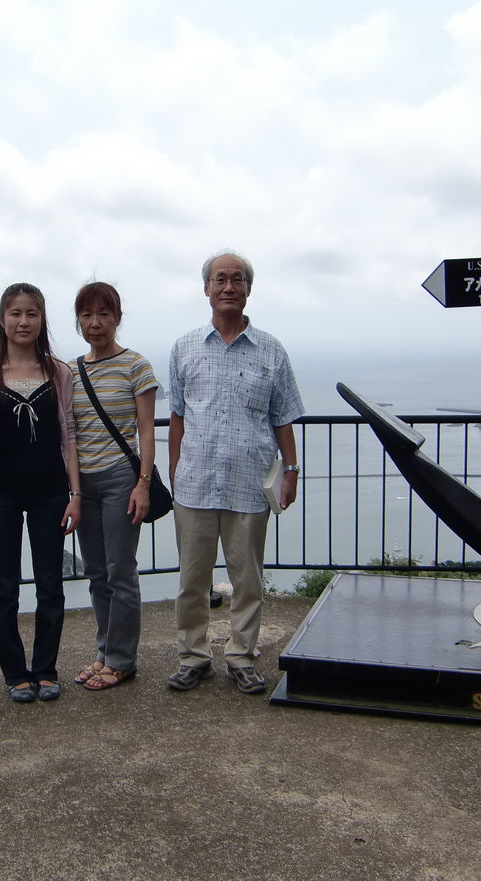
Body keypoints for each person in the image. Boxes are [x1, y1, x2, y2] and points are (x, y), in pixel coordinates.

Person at [167, 251, 304, 694]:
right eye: (220, 279)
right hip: (195, 483)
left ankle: (242, 656)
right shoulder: (185, 347)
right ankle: (193, 657)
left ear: (248, 288)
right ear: (206, 288)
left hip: (249, 483)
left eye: (238, 279)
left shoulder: (271, 350)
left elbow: (283, 416)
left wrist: (291, 471)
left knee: (248, 582)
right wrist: (175, 471)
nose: (229, 286)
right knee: (192, 581)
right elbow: (177, 417)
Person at [0, 283, 81, 703]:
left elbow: (68, 435)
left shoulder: (58, 372)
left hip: (50, 493)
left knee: (51, 584)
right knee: (4, 586)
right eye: (15, 313)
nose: (23, 322)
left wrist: (76, 494)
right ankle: (14, 673)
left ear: (42, 320)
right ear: (2, 319)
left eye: (32, 313)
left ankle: (45, 669)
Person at [69, 281, 159, 691]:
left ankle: (122, 660)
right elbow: (70, 433)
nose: (95, 323)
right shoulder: (71, 371)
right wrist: (72, 490)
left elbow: (146, 430)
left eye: (104, 314)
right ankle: (105, 652)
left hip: (121, 478)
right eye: (87, 315)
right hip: (83, 483)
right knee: (95, 573)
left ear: (118, 318)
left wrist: (143, 484)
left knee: (120, 571)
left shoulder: (135, 365)